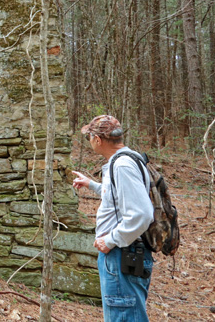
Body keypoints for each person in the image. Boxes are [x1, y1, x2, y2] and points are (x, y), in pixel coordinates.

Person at [71, 115, 155, 322]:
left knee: (125, 317)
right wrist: (91, 184)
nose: (89, 141)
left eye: (89, 136)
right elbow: (119, 196)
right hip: (123, 253)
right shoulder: (125, 159)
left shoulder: (122, 165)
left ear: (97, 140)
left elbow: (142, 214)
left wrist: (109, 241)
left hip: (123, 254)